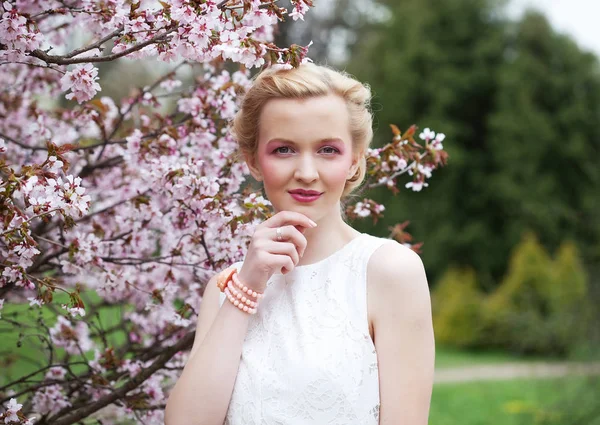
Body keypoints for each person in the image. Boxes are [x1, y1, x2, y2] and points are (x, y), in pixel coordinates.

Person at [165, 63, 435, 425]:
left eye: (327, 150)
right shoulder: (225, 287)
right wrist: (247, 286)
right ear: (253, 161)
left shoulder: (389, 271)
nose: (307, 172)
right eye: (284, 150)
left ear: (354, 162)